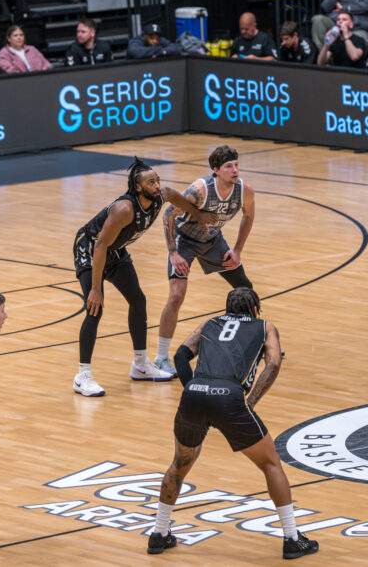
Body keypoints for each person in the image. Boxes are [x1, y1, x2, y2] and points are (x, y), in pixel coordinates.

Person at [146, 288, 319, 559]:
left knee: (180, 464)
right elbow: (273, 363)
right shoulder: (265, 326)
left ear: (228, 308)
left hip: (194, 395)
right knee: (271, 463)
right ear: (254, 309)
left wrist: (192, 388)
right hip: (229, 397)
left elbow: (180, 355)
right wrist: (250, 403)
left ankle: (158, 533)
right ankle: (292, 538)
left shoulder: (209, 323)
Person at [71, 158, 214, 397]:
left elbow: (176, 197)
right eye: (151, 182)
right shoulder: (124, 209)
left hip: (116, 251)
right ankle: (82, 375)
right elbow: (101, 245)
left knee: (138, 301)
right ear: (138, 187)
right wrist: (96, 288)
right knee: (95, 309)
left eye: (157, 180)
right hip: (91, 249)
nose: (157, 185)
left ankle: (140, 364)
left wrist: (198, 215)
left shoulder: (161, 196)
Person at [156, 146, 255, 375]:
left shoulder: (244, 191)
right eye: (229, 166)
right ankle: (161, 358)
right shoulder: (200, 190)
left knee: (245, 289)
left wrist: (238, 250)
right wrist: (173, 252)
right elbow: (169, 213)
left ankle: (251, 343)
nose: (235, 170)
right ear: (215, 170)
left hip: (212, 240)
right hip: (185, 240)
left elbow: (249, 216)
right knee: (176, 296)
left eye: (236, 165)